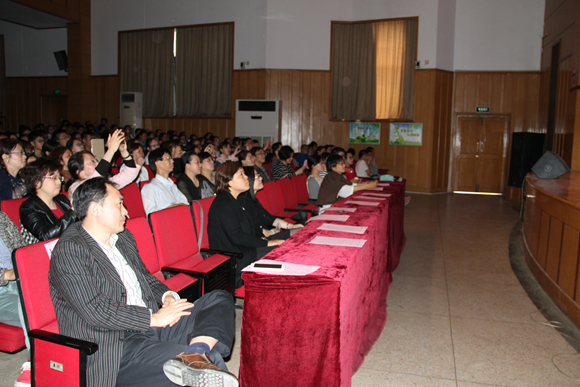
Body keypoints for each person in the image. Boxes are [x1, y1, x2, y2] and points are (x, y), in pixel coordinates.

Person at [49, 177, 237, 387]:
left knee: (219, 298)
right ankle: (197, 360)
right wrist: (153, 318)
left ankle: (196, 353)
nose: (126, 211)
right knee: (211, 366)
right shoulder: (70, 249)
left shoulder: (123, 237)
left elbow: (145, 277)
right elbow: (95, 310)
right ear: (95, 210)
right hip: (116, 343)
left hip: (150, 325)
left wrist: (167, 297)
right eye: (119, 204)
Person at [208, 162, 286, 287]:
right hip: (236, 260)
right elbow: (237, 237)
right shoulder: (224, 204)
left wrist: (267, 236)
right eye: (241, 175)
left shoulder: (236, 201)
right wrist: (266, 243)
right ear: (229, 182)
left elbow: (252, 229)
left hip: (245, 251)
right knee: (282, 250)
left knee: (285, 242)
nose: (246, 177)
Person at [67, 129, 140, 197]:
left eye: (96, 160)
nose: (97, 163)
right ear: (81, 173)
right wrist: (111, 150)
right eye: (92, 162)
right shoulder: (76, 188)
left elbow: (130, 174)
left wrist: (124, 151)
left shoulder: (104, 182)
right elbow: (95, 177)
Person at [19, 160, 76, 244]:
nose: (59, 182)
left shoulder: (61, 200)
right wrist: (74, 211)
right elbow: (45, 235)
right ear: (37, 182)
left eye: (59, 177)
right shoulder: (28, 207)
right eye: (53, 178)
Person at [141, 148, 188, 215]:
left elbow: (185, 204)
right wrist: (176, 207)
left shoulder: (171, 184)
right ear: (158, 163)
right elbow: (151, 216)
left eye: (171, 158)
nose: (172, 161)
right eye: (167, 158)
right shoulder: (150, 188)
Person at [0, 138, 28, 203]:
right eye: (20, 153)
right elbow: (12, 196)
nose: (25, 156)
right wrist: (33, 182)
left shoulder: (18, 180)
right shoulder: (1, 177)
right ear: (5, 157)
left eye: (24, 153)